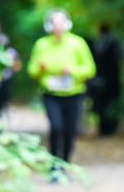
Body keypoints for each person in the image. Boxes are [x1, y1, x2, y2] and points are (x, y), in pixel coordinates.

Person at [27, 9, 96, 173]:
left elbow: (90, 69)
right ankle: (54, 164)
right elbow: (31, 70)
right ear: (48, 26)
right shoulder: (41, 44)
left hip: (74, 94)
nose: (58, 27)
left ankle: (65, 162)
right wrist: (39, 68)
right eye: (54, 23)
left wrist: (72, 70)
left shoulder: (78, 43)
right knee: (56, 128)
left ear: (67, 24)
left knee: (70, 131)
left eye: (61, 23)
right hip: (51, 94)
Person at [88, 23, 123, 136]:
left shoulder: (98, 43)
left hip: (101, 80)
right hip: (113, 80)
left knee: (102, 105)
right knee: (110, 104)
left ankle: (105, 129)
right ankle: (109, 129)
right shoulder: (115, 43)